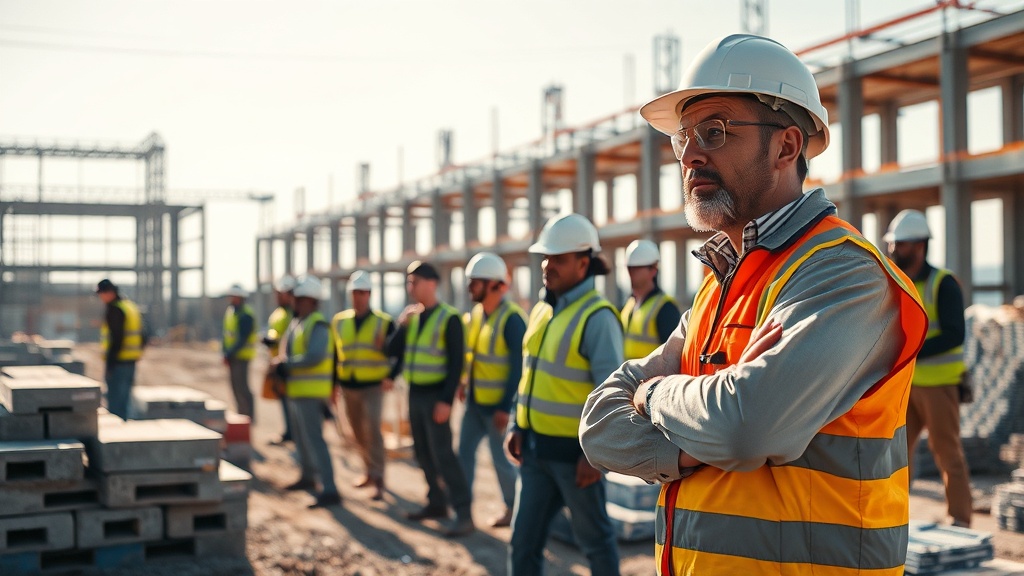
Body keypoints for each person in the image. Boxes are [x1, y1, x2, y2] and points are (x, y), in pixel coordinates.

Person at [579, 34, 928, 575]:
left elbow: (745, 428)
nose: (690, 155)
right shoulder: (721, 283)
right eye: (683, 139)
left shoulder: (842, 272)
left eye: (714, 132)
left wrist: (651, 394)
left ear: (787, 147)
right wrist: (699, 435)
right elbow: (599, 424)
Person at [504, 213, 623, 576]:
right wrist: (515, 424)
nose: (547, 265)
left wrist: (596, 457)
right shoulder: (541, 311)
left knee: (596, 544)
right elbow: (529, 377)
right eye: (545, 257)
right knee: (523, 543)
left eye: (557, 258)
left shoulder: (597, 317)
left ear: (583, 263)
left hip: (576, 460)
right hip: (536, 453)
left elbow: (612, 396)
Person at [885, 208, 973, 527]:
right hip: (906, 386)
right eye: (893, 245)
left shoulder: (943, 284)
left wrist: (912, 349)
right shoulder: (898, 281)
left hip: (939, 386)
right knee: (895, 457)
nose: (894, 251)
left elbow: (954, 334)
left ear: (920, 245)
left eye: (901, 245)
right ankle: (894, 521)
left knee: (948, 455)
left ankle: (960, 519)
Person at [389, 261, 474, 536]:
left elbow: (456, 364)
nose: (410, 287)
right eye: (409, 282)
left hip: (436, 396)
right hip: (415, 394)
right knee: (422, 453)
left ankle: (464, 514)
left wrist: (446, 401)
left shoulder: (449, 317)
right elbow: (393, 350)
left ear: (431, 283)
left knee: (444, 456)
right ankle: (436, 503)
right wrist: (401, 325)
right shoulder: (412, 318)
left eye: (414, 282)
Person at [457, 252, 526, 528]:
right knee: (462, 455)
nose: (470, 287)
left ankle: (514, 511)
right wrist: (465, 382)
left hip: (498, 407)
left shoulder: (512, 320)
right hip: (475, 404)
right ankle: (462, 513)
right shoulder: (475, 315)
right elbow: (474, 356)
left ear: (495, 285)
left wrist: (505, 408)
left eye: (476, 282)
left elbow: (518, 368)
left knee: (503, 462)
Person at [271, 274, 342, 508]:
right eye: (295, 298)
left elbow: (315, 356)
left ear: (312, 300)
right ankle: (308, 477)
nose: (295, 302)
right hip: (297, 391)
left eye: (300, 299)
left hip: (311, 392)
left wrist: (286, 364)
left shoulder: (318, 324)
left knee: (315, 440)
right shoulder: (297, 322)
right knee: (302, 440)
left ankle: (330, 489)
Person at [331, 270, 398, 501]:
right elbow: (334, 355)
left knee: (372, 429)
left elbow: (398, 352)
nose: (359, 297)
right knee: (357, 432)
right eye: (355, 293)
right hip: (348, 386)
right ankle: (368, 471)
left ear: (369, 294)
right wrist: (333, 385)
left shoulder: (384, 322)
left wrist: (392, 375)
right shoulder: (339, 322)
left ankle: (379, 478)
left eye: (363, 293)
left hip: (373, 387)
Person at [619, 239, 682, 360]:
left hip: (654, 378)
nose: (631, 273)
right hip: (628, 377)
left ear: (653, 269)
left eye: (637, 268)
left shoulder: (666, 308)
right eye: (629, 268)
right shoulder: (629, 305)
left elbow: (674, 358)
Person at [95, 279, 144, 419]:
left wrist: (110, 364)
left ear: (109, 293)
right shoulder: (130, 307)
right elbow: (144, 334)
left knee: (116, 403)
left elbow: (116, 339)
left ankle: (118, 433)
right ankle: (126, 428)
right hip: (131, 361)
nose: (100, 297)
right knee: (125, 400)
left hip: (118, 363)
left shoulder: (115, 309)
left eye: (101, 293)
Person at [263, 275, 296, 445]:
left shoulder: (292, 314)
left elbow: (289, 337)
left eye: (281, 293)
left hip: (286, 363)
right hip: (277, 361)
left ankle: (293, 433)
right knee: (283, 399)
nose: (278, 296)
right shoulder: (279, 313)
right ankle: (289, 432)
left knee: (290, 400)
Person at [222, 283, 257, 421]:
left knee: (242, 388)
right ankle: (241, 414)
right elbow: (227, 335)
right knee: (235, 388)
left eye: (234, 296)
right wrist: (225, 352)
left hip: (242, 357)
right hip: (233, 356)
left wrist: (229, 353)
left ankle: (249, 417)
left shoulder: (245, 315)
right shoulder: (231, 312)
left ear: (241, 297)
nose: (231, 299)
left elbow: (242, 338)